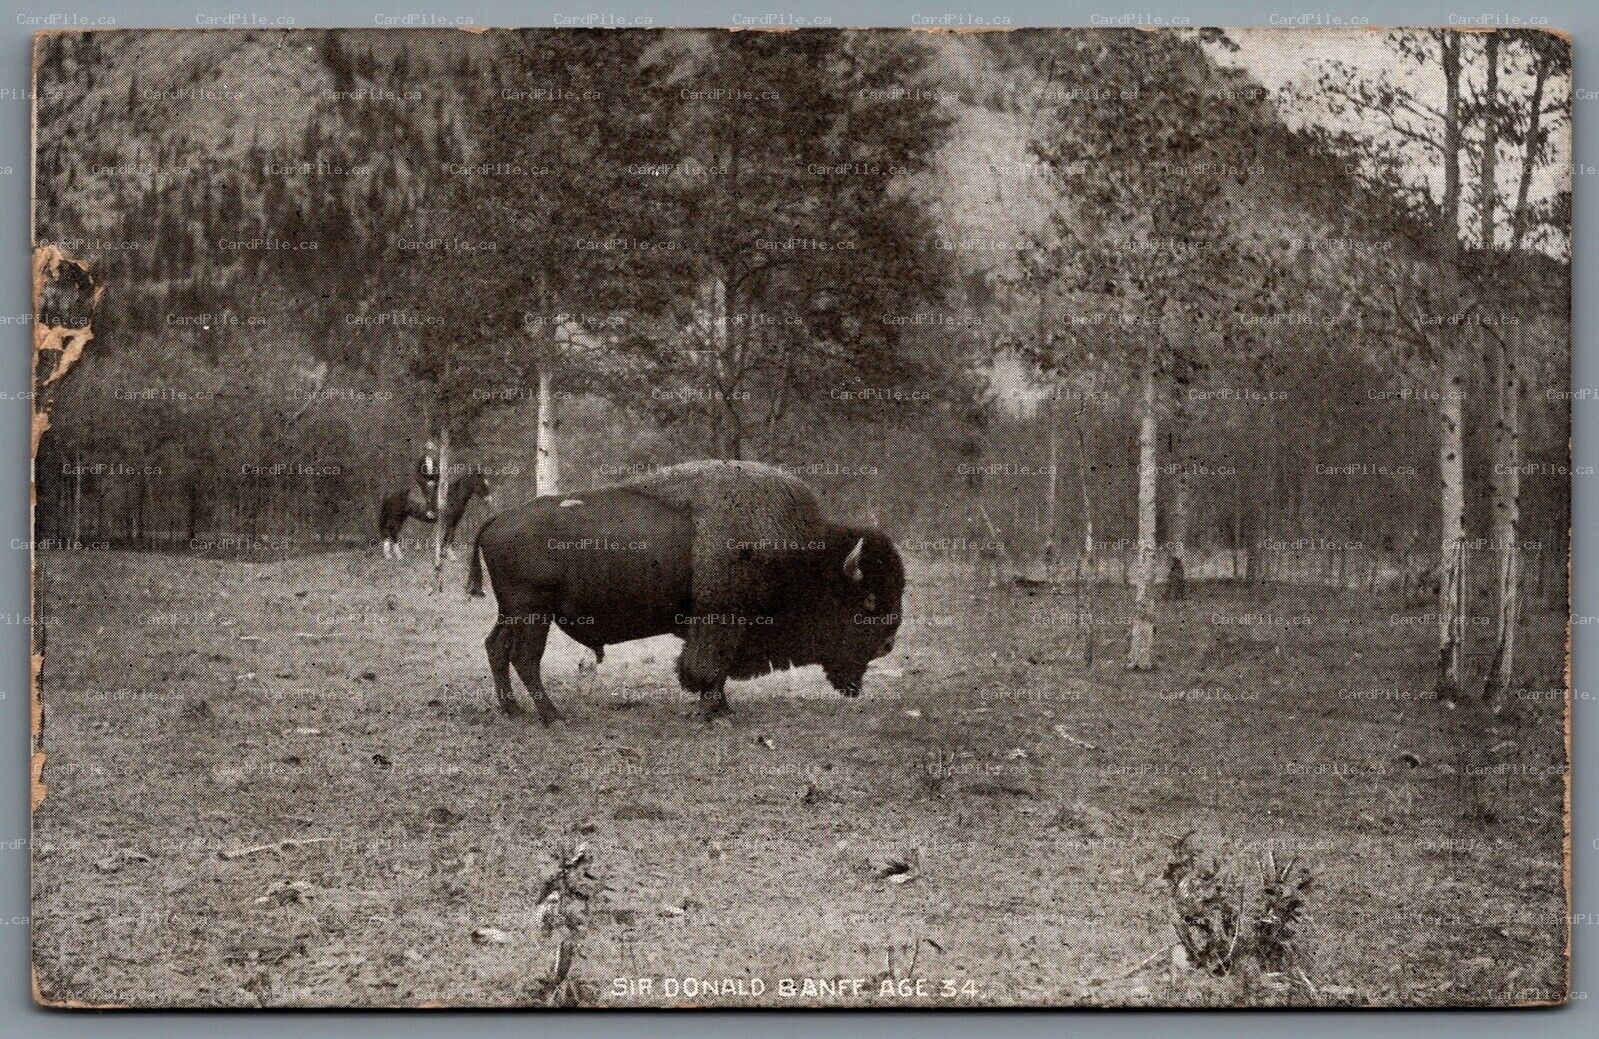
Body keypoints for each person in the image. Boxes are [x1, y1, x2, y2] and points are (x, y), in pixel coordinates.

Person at [415, 439, 440, 519]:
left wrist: (437, 481)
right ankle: (429, 510)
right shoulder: (421, 460)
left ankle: (439, 510)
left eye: (431, 450)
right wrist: (426, 482)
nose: (429, 451)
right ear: (425, 450)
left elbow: (437, 473)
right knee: (430, 487)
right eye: (428, 450)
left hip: (433, 480)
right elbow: (417, 473)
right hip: (424, 480)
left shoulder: (434, 461)